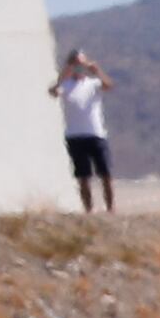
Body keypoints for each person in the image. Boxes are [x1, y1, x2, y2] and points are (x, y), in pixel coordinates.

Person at [54, 50, 117, 213]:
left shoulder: (93, 83)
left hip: (95, 134)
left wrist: (97, 71)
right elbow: (53, 92)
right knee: (83, 176)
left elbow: (109, 86)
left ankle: (111, 209)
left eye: (81, 63)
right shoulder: (66, 86)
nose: (79, 67)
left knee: (106, 174)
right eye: (75, 64)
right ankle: (88, 210)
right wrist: (63, 75)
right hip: (75, 136)